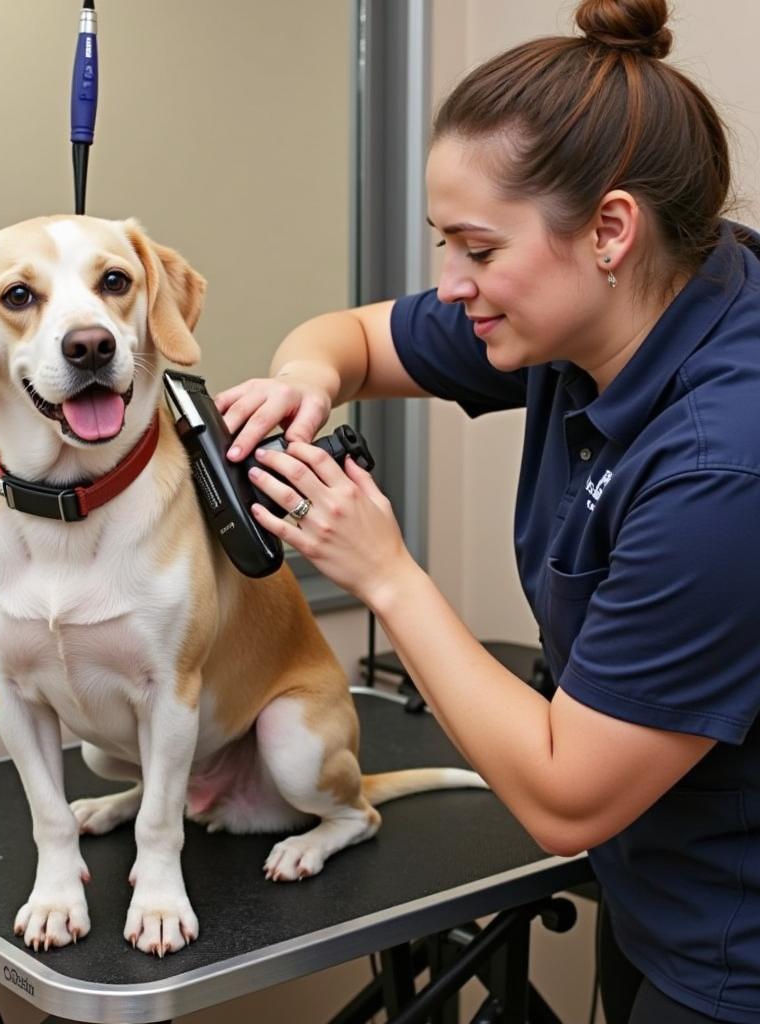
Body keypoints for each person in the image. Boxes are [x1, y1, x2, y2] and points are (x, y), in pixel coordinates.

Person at [215, 1, 760, 1021]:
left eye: (474, 248)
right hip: (656, 886)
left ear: (608, 229)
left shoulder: (722, 471)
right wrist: (304, 378)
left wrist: (384, 573)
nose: (450, 286)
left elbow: (566, 800)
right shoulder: (614, 300)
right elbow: (353, 337)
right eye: (442, 245)